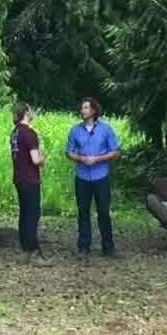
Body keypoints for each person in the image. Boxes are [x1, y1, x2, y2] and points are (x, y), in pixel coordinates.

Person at [65, 97, 121, 258]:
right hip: (82, 177)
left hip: (101, 176)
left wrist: (97, 159)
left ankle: (108, 247)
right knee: (83, 212)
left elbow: (115, 151)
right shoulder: (75, 130)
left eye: (85, 108)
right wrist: (81, 159)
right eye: (82, 108)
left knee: (103, 212)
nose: (82, 111)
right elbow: (69, 152)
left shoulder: (106, 129)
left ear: (93, 111)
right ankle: (83, 247)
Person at [10, 102, 44, 257]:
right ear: (26, 113)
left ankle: (24, 246)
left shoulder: (15, 132)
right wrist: (43, 158)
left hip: (18, 177)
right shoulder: (29, 133)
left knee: (24, 212)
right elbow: (35, 159)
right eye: (30, 109)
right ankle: (33, 249)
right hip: (30, 178)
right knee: (33, 213)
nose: (32, 112)